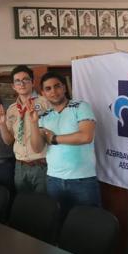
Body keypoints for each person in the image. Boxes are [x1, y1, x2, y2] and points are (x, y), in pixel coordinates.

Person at [30, 72, 98, 220]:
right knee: (58, 223)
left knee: (88, 223)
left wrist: (54, 139)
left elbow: (86, 136)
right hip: (54, 179)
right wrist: (34, 123)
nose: (53, 91)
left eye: (57, 86)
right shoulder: (44, 116)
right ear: (43, 93)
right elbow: (37, 148)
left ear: (64, 88)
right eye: (48, 88)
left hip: (82, 180)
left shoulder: (80, 106)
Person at [0, 65, 50, 194]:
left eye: (26, 79)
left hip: (42, 164)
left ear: (33, 82)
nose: (22, 84)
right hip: (20, 166)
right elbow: (9, 141)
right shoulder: (11, 109)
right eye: (17, 81)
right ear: (13, 86)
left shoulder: (45, 103)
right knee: (23, 203)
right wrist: (2, 124)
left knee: (44, 203)